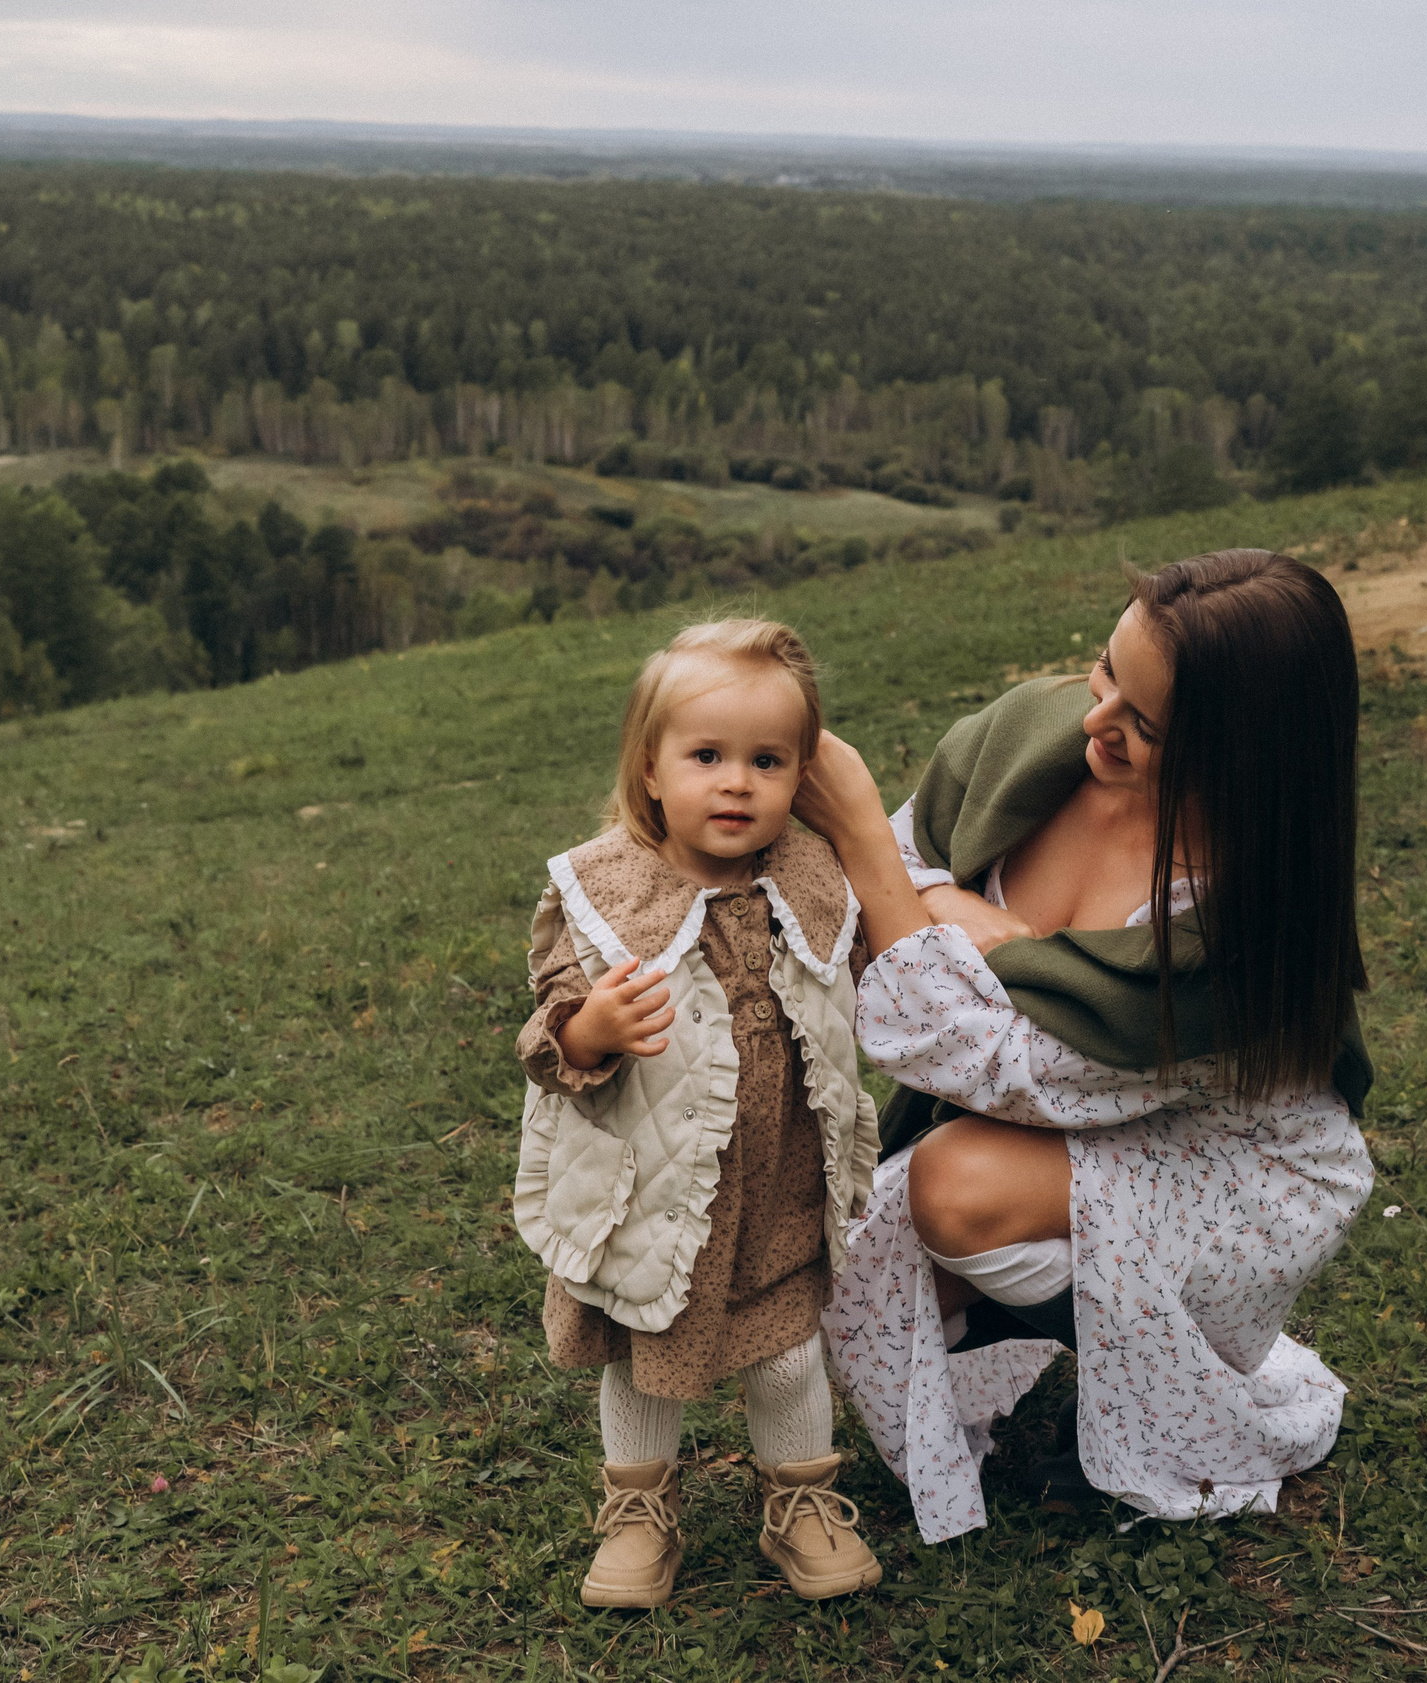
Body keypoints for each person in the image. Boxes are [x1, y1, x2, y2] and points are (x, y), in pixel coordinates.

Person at [795, 549, 1378, 1542]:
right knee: (850, 1262)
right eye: (1106, 670)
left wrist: (872, 849)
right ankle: (1071, 1349)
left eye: (1144, 724)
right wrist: (954, 911)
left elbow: (991, 1065)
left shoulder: (1240, 933)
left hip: (1236, 1172)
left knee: (951, 1189)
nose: (1094, 720)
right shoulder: (1035, 738)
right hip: (1078, 1120)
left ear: (1243, 757)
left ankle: (1166, 1391)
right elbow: (897, 881)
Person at [510, 618, 884, 1608]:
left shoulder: (812, 882)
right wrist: (590, 1029)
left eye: (767, 760)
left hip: (778, 1191)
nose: (737, 783)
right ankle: (639, 1510)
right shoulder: (608, 894)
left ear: (801, 772)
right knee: (644, 1361)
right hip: (653, 1193)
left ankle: (800, 1502)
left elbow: (865, 981)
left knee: (787, 1358)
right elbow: (547, 1032)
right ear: (651, 768)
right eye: (706, 756)